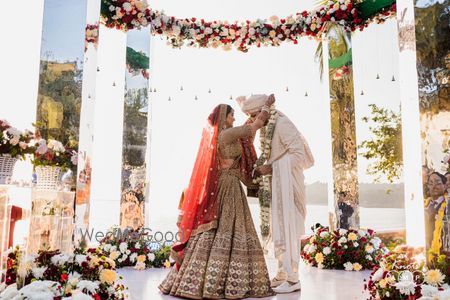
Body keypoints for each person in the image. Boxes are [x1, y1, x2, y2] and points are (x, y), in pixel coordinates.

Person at [158, 100, 275, 299]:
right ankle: (215, 281)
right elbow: (253, 128)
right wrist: (266, 107)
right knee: (227, 227)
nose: (234, 118)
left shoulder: (228, 135)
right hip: (228, 186)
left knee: (223, 228)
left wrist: (253, 120)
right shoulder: (226, 134)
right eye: (231, 115)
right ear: (223, 117)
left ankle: (206, 279)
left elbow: (249, 132)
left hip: (230, 184)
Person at [237, 94, 314, 294]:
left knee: (288, 229)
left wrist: (272, 168)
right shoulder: (266, 129)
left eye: (253, 115)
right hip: (276, 187)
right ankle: (282, 273)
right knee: (278, 229)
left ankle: (294, 278)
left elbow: (300, 156)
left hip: (289, 188)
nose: (253, 121)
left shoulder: (282, 123)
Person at [424, 172, 450, 259]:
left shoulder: (448, 205)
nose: (434, 186)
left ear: (445, 186)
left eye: (438, 183)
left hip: (442, 253)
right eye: (431, 183)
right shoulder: (424, 205)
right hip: (425, 251)